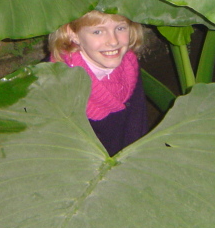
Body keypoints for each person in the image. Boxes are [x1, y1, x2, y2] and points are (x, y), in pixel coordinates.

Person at [48, 11, 148, 155]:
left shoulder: (129, 67)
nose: (113, 41)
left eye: (120, 28)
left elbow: (137, 128)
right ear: (73, 34)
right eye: (98, 32)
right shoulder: (54, 82)